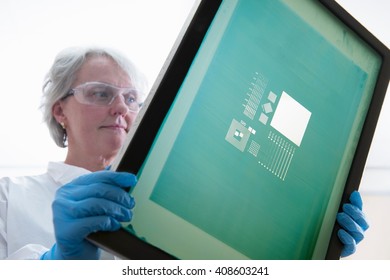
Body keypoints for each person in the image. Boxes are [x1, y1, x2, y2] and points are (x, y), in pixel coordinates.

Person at [0, 46, 369, 260]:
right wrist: (57, 262)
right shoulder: (9, 197)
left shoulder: (167, 208)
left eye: (131, 99)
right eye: (100, 93)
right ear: (60, 110)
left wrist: (313, 251)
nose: (121, 109)